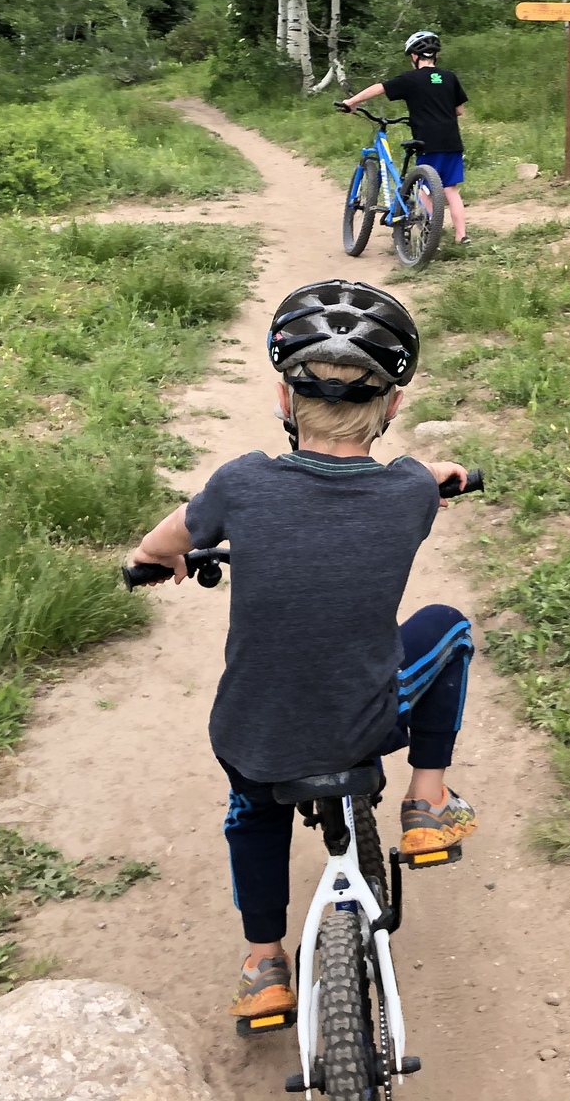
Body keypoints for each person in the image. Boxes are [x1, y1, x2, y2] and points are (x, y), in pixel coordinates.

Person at [123, 280, 480, 1025]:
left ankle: (263, 964)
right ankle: (427, 801)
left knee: (251, 812)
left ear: (285, 400)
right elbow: (417, 477)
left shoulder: (240, 484)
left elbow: (168, 537)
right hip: (366, 719)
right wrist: (436, 474)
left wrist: (153, 557)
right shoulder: (411, 492)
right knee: (448, 626)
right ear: (393, 406)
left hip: (256, 731)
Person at [342, 30, 469, 243]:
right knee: (451, 190)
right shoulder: (449, 77)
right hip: (452, 141)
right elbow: (459, 110)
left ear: (414, 56)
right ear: (435, 55)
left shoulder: (410, 79)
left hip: (428, 141)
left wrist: (352, 102)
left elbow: (380, 88)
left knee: (425, 190)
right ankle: (461, 236)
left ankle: (429, 236)